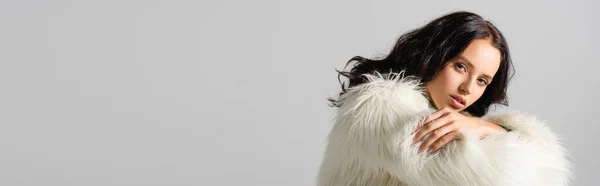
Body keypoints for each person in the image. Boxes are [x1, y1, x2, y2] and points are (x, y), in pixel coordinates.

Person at [318, 11, 571, 186]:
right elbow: (511, 176)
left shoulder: (452, 119)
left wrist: (480, 125)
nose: (468, 88)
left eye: (482, 80)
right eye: (461, 67)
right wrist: (487, 129)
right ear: (434, 55)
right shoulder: (380, 107)